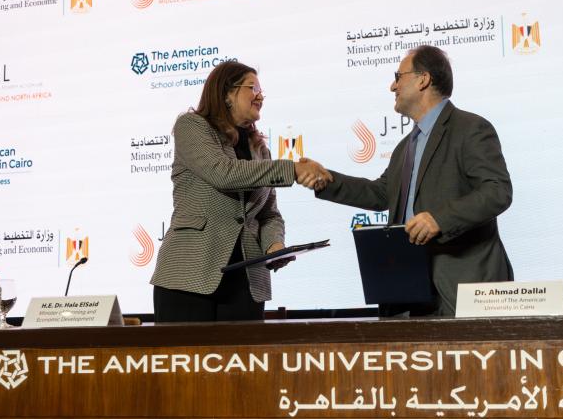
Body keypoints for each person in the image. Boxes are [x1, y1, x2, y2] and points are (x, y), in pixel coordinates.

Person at [309, 45, 513, 317]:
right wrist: (327, 180)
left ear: (423, 79)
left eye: (398, 76)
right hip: (406, 288)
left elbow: (497, 191)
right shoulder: (407, 145)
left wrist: (440, 219)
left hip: (459, 286)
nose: (392, 86)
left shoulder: (470, 128)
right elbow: (381, 194)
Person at [150, 61, 331, 322]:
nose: (260, 96)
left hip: (247, 282)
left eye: (262, 91)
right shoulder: (192, 126)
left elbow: (269, 214)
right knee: (184, 362)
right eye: (252, 88)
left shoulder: (260, 149)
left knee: (243, 363)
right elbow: (222, 172)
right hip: (188, 276)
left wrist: (274, 245)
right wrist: (292, 170)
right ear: (226, 93)